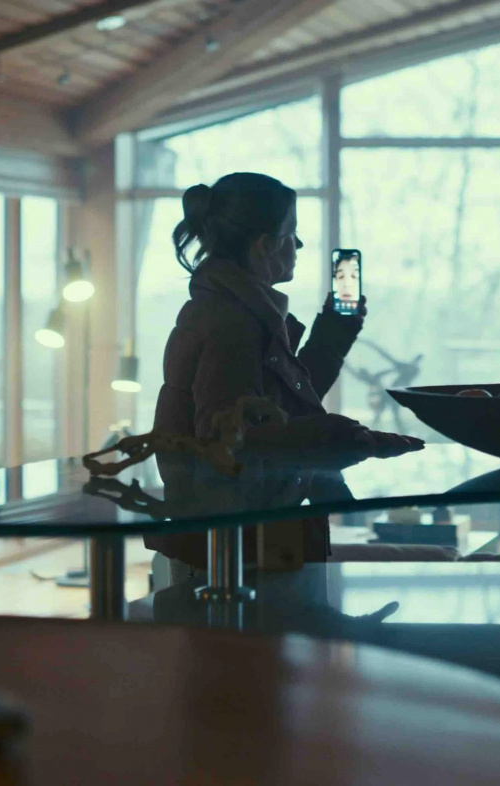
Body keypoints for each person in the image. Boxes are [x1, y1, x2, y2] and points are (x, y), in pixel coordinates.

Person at [148, 172, 421, 573]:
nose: (299, 245)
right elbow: (231, 437)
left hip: (242, 543)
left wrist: (336, 328)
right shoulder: (233, 324)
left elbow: (284, 405)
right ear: (265, 245)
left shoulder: (239, 312)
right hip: (235, 556)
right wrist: (342, 437)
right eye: (291, 233)